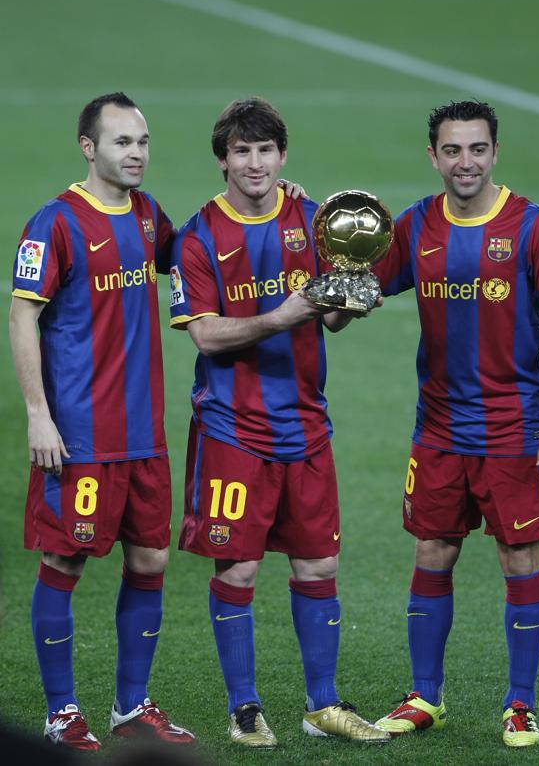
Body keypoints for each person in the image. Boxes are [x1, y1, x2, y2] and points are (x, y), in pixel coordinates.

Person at [169, 97, 390, 749]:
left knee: (318, 562)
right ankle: (244, 708)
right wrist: (282, 315)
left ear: (282, 156)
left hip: (305, 424)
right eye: (243, 151)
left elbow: (331, 313)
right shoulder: (199, 234)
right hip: (233, 429)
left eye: (266, 151)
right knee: (237, 569)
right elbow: (206, 336)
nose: (256, 162)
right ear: (223, 160)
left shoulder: (311, 215)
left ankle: (322, 704)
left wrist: (351, 300)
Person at [373, 100, 539, 747]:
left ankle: (519, 705)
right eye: (453, 150)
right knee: (433, 550)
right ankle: (425, 695)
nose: (466, 162)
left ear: (495, 152)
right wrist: (332, 274)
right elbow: (359, 296)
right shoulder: (415, 224)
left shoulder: (535, 226)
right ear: (433, 156)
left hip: (514, 426)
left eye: (478, 149)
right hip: (437, 426)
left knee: (519, 554)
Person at [9, 92, 195, 751]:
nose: (137, 152)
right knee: (64, 558)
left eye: (142, 140)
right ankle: (61, 714)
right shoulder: (55, 223)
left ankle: (129, 704)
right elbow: (23, 313)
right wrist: (38, 414)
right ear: (89, 147)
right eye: (122, 142)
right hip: (80, 432)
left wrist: (273, 200)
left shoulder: (148, 216)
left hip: (144, 432)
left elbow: (195, 253)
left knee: (150, 556)